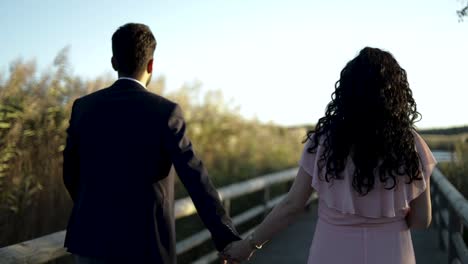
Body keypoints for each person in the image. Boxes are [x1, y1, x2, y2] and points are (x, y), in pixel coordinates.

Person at [222, 47, 436, 264]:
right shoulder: (411, 145)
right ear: (396, 94)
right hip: (393, 252)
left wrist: (248, 245)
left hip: (332, 251)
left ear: (347, 91)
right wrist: (390, 215)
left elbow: (292, 205)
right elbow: (421, 220)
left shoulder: (324, 141)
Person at [62, 23, 241, 264]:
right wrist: (227, 237)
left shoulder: (83, 107)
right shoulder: (165, 112)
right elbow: (196, 178)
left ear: (114, 62)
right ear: (151, 65)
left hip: (90, 241)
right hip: (146, 246)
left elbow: (70, 173)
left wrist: (95, 208)